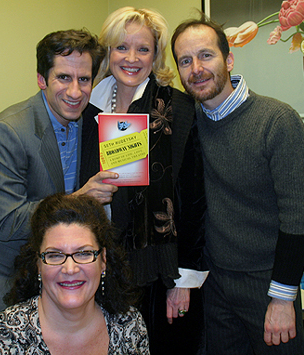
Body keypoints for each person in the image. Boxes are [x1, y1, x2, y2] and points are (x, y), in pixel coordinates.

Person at [171, 11, 304, 355]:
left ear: (228, 59)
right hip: (214, 284)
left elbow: (298, 214)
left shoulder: (277, 120)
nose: (196, 69)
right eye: (185, 61)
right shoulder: (190, 124)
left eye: (206, 55)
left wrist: (283, 298)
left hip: (267, 284)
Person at [79, 7, 206, 355]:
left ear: (156, 54)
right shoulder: (87, 107)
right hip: (96, 268)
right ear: (108, 52)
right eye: (122, 47)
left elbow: (193, 200)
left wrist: (183, 281)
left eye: (143, 49)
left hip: (158, 274)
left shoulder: (177, 108)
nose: (131, 58)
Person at [0, 29, 119, 327]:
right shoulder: (8, 132)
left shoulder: (93, 123)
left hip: (62, 283)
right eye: (63, 78)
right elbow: (5, 222)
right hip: (9, 282)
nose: (75, 92)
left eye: (84, 80)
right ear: (42, 79)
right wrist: (80, 199)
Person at [0, 193, 149, 354]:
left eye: (84, 253)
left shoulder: (129, 325)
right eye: (54, 255)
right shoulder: (0, 340)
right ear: (38, 264)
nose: (70, 268)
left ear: (103, 260)